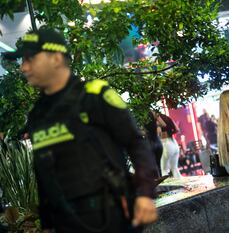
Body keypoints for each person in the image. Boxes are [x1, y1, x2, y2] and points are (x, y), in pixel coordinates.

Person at [3, 28, 158, 233]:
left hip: (110, 219)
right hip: (67, 224)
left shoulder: (94, 95)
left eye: (30, 59)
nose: (23, 67)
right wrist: (48, 225)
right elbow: (43, 173)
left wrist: (145, 194)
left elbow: (136, 143)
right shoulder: (37, 115)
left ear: (56, 58)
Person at [144, 110, 166, 176]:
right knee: (158, 166)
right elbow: (163, 124)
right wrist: (155, 124)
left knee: (151, 167)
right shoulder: (153, 112)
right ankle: (162, 184)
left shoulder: (139, 114)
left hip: (149, 143)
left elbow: (142, 132)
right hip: (158, 142)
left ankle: (156, 184)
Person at [159, 114, 182, 178]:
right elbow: (177, 129)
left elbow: (159, 132)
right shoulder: (167, 118)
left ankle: (166, 188)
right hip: (174, 143)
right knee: (175, 168)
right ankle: (181, 186)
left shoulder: (158, 120)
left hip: (165, 144)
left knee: (164, 170)